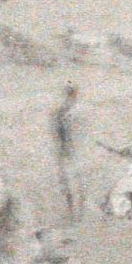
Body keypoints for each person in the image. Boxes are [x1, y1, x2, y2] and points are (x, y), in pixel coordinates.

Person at [50, 83, 86, 222]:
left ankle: (77, 213)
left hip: (72, 151)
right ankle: (74, 213)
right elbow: (57, 132)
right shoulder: (61, 112)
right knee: (69, 183)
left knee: (74, 183)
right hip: (69, 151)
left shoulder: (66, 112)